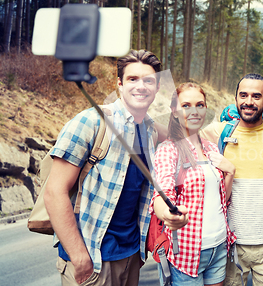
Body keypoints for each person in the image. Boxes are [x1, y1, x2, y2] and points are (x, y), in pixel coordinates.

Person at [44, 49, 164, 286]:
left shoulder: (150, 131)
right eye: (132, 79)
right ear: (119, 84)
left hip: (130, 255)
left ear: (157, 87)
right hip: (92, 257)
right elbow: (54, 192)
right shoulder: (91, 121)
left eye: (148, 80)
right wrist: (79, 258)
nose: (141, 86)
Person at [151, 82, 236, 286]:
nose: (194, 111)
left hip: (219, 246)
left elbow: (221, 198)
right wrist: (168, 214)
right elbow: (161, 196)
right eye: (186, 105)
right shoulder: (169, 150)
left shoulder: (210, 147)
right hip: (187, 252)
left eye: (200, 104)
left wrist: (230, 172)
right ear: (174, 111)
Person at [200, 73, 263, 286]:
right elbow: (179, 139)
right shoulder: (219, 132)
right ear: (235, 98)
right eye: (243, 95)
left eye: (256, 96)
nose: (249, 101)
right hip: (229, 242)